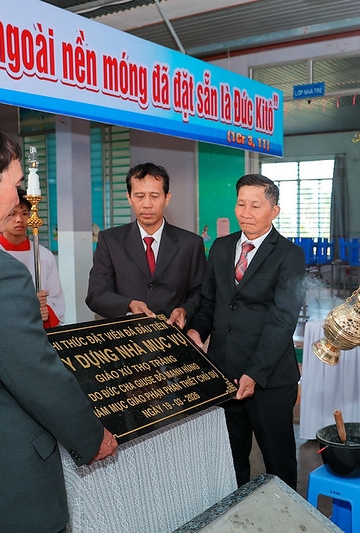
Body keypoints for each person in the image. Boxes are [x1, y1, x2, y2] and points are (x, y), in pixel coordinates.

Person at [0, 117, 117, 531]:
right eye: (16, 184)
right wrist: (90, 438)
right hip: (1, 489)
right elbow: (35, 375)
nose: (19, 197)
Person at [186, 174, 305, 489]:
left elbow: (283, 320)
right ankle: (235, 512)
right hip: (223, 372)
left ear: (274, 211)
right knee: (230, 460)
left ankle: (284, 513)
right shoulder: (222, 247)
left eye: (255, 205)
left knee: (278, 462)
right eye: (241, 204)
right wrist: (197, 330)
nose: (246, 213)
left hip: (269, 379)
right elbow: (210, 301)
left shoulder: (289, 255)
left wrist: (255, 372)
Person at [86, 162, 205, 328]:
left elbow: (200, 292)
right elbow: (96, 294)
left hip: (172, 335)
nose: (147, 204)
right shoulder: (110, 240)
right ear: (129, 198)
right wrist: (129, 305)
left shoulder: (190, 244)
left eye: (154, 196)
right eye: (139, 196)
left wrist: (185, 309)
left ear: (167, 198)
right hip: (126, 336)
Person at [0, 189, 66, 327]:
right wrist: (29, 303)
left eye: (25, 213)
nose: (19, 220)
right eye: (12, 213)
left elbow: (56, 299)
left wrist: (46, 311)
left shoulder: (44, 255)